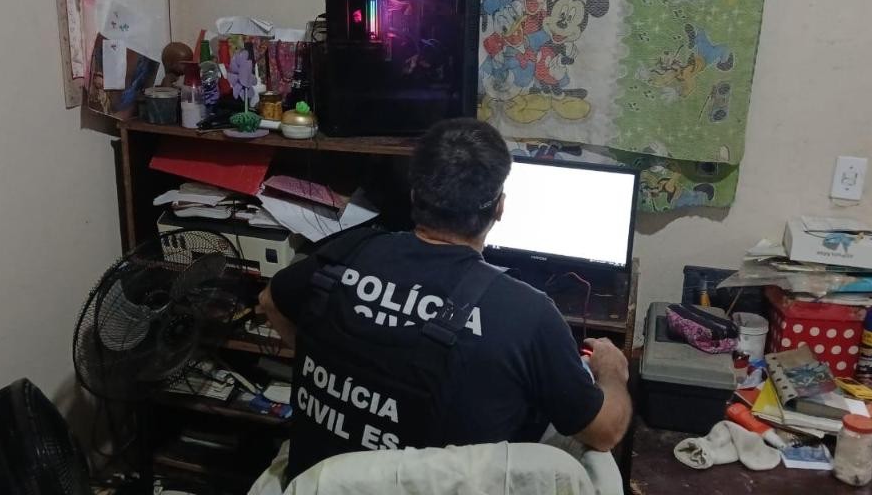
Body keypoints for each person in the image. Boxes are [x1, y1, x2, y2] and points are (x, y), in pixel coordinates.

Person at [258, 118, 632, 481]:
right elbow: (606, 432)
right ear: (499, 208)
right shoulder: (528, 314)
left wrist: (327, 363)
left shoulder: (347, 251)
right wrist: (612, 371)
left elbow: (270, 301)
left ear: (414, 195)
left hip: (315, 483)